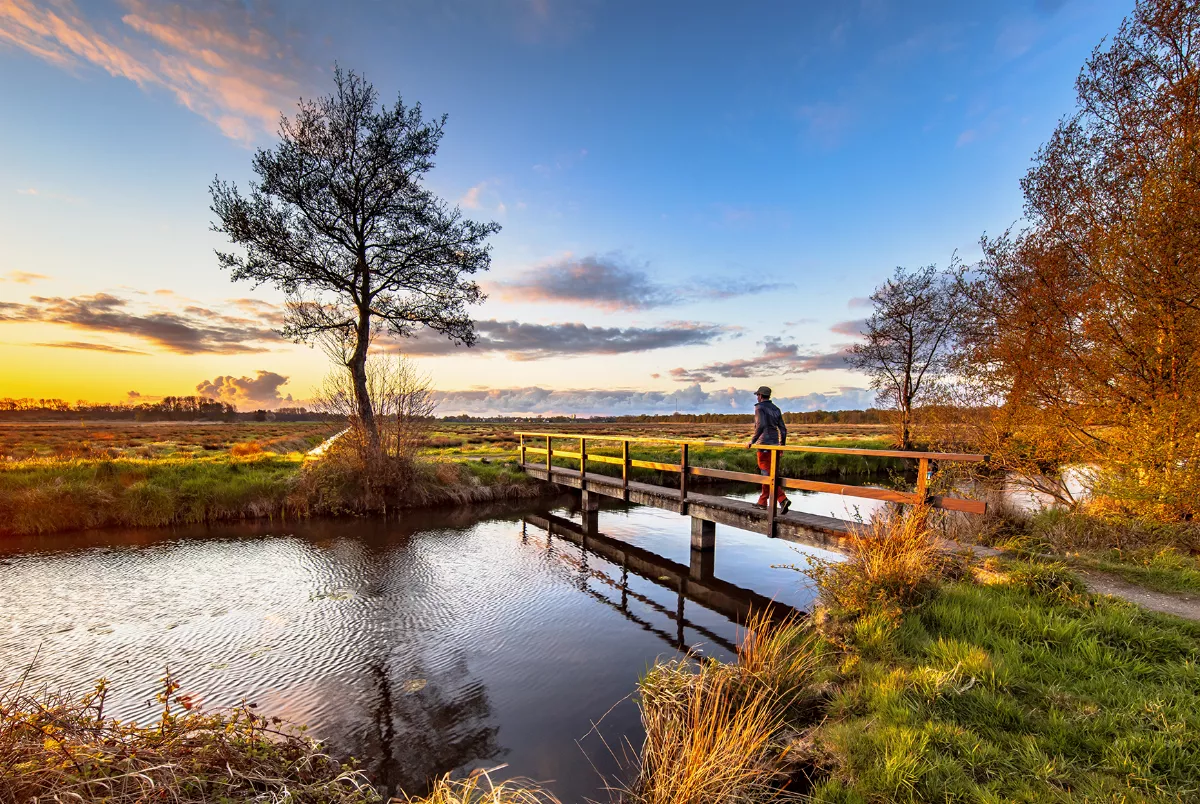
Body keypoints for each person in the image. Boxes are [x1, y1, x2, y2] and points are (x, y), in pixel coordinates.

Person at [747, 386, 791, 513]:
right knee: (769, 474)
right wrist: (781, 445)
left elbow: (761, 425)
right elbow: (783, 429)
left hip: (764, 445)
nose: (757, 397)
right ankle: (762, 501)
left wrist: (752, 441)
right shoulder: (776, 409)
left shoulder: (759, 407)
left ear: (760, 396)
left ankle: (782, 499)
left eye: (757, 395)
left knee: (766, 474)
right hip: (774, 445)